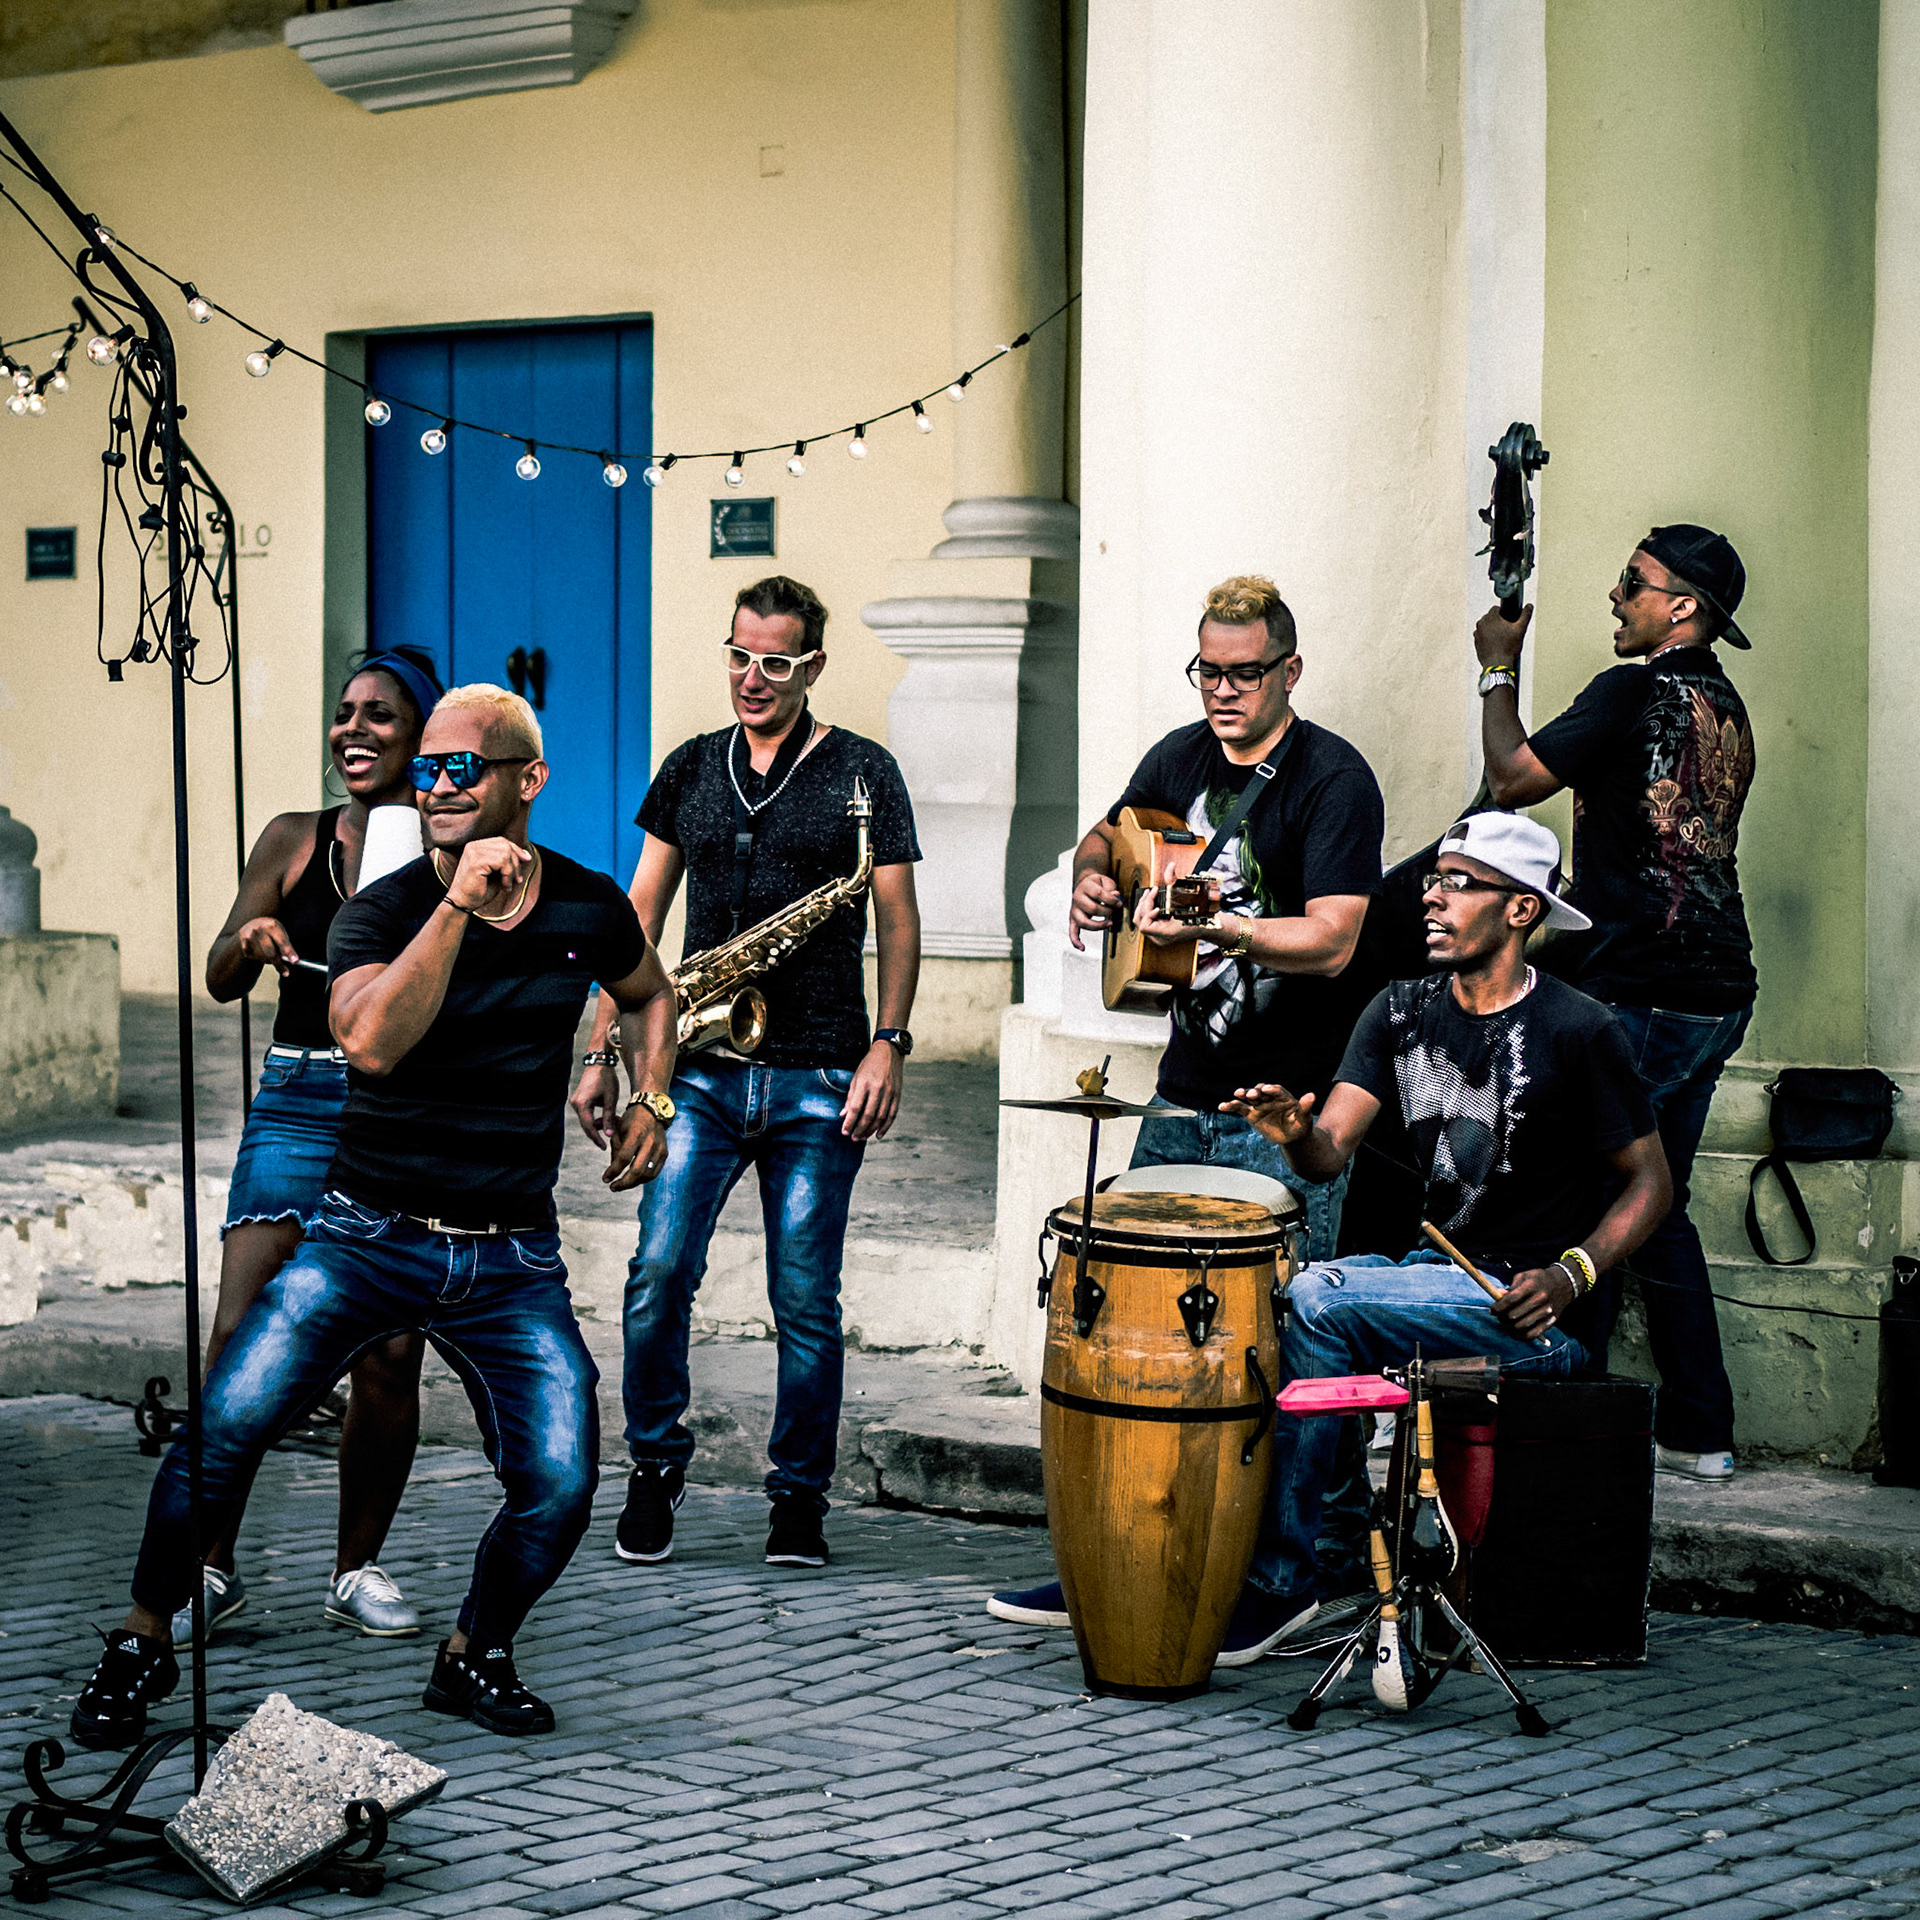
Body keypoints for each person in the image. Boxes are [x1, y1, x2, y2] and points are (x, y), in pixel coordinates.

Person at [68, 685, 678, 1748]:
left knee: (563, 1479)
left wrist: (649, 1094)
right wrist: (456, 908)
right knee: (223, 1430)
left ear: (525, 782)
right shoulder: (386, 911)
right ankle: (142, 1639)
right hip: (365, 1237)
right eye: (427, 771)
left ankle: (473, 1653)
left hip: (510, 1260)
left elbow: (650, 992)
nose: (435, 788)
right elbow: (371, 1044)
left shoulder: (587, 905)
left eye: (461, 770)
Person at [990, 573, 1385, 1655]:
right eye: (1208, 668)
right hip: (1184, 1088)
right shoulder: (1177, 758)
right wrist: (1092, 885)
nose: (1222, 690)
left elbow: (1341, 937)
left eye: (1244, 672)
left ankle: (1300, 1573)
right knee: (1134, 1323)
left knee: (1290, 1349)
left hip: (1292, 1106)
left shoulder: (1333, 780)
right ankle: (1121, 1547)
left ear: (1289, 672)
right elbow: (1108, 838)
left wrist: (1226, 928)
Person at [1219, 810, 1673, 1629]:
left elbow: (1651, 1184)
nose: (1431, 899)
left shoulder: (1580, 1029)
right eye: (1433, 879)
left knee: (1321, 1299)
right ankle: (1315, 1558)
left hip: (1528, 1316)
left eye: (1458, 884)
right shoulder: (1397, 1010)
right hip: (1433, 1282)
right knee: (1297, 1294)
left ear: (1521, 909)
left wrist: (1572, 1275)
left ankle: (1289, 1580)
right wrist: (1295, 1134)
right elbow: (1330, 1150)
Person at [570, 575, 922, 1573]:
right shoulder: (690, 768)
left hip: (820, 1073)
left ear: (812, 666)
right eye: (739, 656)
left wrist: (887, 1041)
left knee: (805, 1299)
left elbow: (895, 918)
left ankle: (797, 1498)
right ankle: (654, 1467)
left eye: (775, 662)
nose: (752, 679)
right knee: (656, 1276)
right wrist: (603, 1049)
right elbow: (636, 921)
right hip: (699, 1071)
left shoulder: (863, 773)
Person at [1474, 523, 1756, 1482]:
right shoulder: (1727, 703)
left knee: (1590, 1193)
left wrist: (1496, 669)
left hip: (1639, 991)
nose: (1614, 595)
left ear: (1682, 607)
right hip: (1718, 989)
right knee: (1656, 1200)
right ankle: (1700, 1430)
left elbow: (1514, 783)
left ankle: (1567, 1411)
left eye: (1632, 583)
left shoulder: (1634, 688)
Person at [191, 648, 443, 1651]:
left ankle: (356, 1568)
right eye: (346, 713)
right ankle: (207, 1567)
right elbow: (215, 974)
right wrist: (250, 937)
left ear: (423, 736)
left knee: (387, 1353)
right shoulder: (293, 839)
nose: (355, 731)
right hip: (296, 1095)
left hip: (398, 1108)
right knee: (240, 1337)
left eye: (380, 715)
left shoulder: (454, 846)